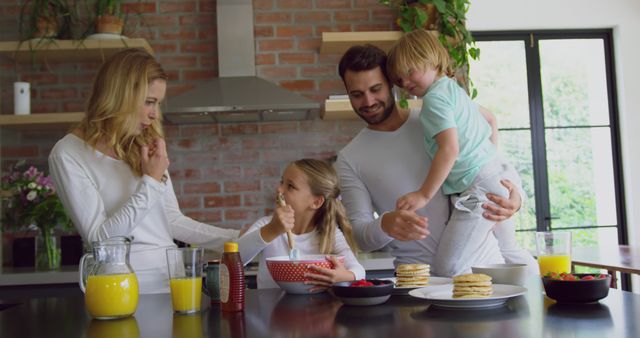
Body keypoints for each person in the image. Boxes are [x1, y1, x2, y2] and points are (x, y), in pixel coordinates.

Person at [48, 48, 261, 294]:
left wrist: (234, 237)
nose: (155, 114)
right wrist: (150, 180)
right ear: (120, 96)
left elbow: (171, 220)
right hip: (120, 288)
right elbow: (102, 241)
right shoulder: (68, 153)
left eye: (158, 103)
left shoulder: (142, 144)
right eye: (149, 102)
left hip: (173, 281)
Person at [335, 43, 536, 277]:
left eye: (376, 89)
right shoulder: (350, 158)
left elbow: (486, 152)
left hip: (484, 270)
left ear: (391, 83)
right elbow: (361, 236)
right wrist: (385, 224)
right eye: (356, 94)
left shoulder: (435, 115)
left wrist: (516, 198)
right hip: (419, 281)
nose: (368, 102)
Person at [239, 158, 365, 290]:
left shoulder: (329, 233)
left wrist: (345, 276)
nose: (279, 189)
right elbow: (233, 260)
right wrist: (272, 230)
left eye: (290, 186)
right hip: (271, 308)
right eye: (282, 182)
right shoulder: (266, 225)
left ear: (316, 202)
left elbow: (359, 271)